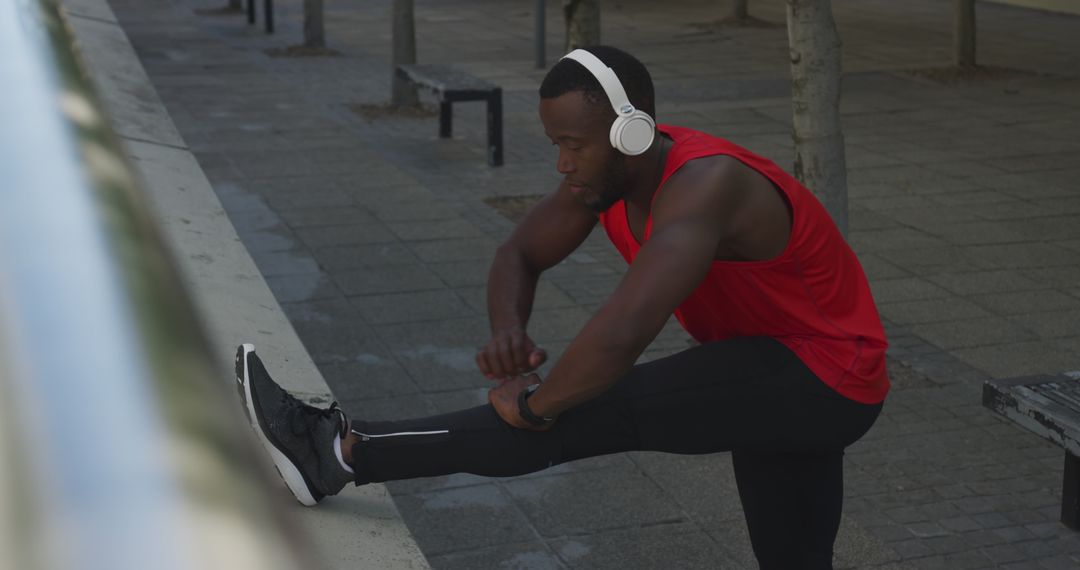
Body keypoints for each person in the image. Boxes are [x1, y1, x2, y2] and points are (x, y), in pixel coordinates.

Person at [236, 45, 888, 569]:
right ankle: (340, 451)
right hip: (784, 375)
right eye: (556, 142)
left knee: (596, 407)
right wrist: (508, 330)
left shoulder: (705, 186)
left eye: (574, 142)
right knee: (793, 556)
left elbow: (623, 333)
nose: (561, 161)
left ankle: (342, 450)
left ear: (632, 130)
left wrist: (537, 404)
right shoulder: (606, 177)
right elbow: (518, 253)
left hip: (821, 376)